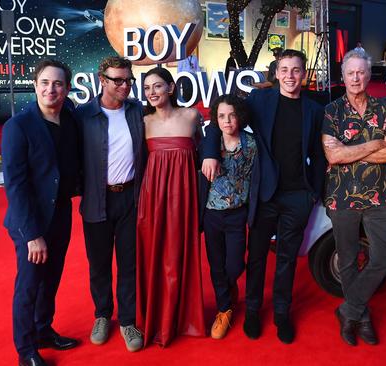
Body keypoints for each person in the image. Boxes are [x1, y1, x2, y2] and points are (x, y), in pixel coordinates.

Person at [202, 49, 326, 344]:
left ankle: (282, 312)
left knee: (286, 259)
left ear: (304, 74)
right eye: (284, 69)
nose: (290, 76)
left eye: (296, 70)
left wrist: (314, 193)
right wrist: (209, 153)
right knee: (256, 258)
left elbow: (318, 156)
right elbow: (222, 114)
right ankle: (254, 310)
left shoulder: (314, 110)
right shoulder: (260, 101)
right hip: (265, 196)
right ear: (276, 73)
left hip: (298, 196)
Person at [2, 59, 80, 366]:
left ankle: (44, 330)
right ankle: (26, 351)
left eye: (58, 84)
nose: (51, 89)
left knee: (52, 280)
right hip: (30, 222)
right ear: (35, 86)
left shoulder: (71, 119)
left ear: (67, 89)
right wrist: (32, 235)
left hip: (61, 215)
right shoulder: (18, 126)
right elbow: (16, 185)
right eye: (45, 83)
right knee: (29, 285)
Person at [322, 50, 386, 346]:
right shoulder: (331, 111)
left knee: (385, 257)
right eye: (350, 73)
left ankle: (349, 309)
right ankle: (362, 315)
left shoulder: (385, 110)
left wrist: (350, 151)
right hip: (341, 195)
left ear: (369, 75)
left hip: (377, 194)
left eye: (361, 72)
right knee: (349, 259)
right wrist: (373, 143)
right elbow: (333, 154)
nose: (356, 78)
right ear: (342, 77)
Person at [75, 56, 145, 352]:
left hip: (130, 198)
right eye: (118, 80)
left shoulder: (137, 110)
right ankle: (102, 315)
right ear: (101, 79)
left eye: (128, 79)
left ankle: (128, 321)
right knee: (99, 264)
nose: (125, 85)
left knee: (128, 264)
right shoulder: (82, 115)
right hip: (96, 200)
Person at [136, 67, 206, 347]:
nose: (152, 92)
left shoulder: (191, 116)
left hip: (184, 195)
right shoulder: (143, 123)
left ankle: (179, 318)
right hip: (152, 197)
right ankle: (155, 318)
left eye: (158, 86)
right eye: (148, 88)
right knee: (154, 254)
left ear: (171, 87)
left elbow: (203, 154)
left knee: (179, 253)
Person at [199, 94, 258, 340]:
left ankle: (229, 285)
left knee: (234, 265)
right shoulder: (209, 143)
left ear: (240, 117)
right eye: (221, 116)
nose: (227, 120)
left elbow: (257, 177)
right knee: (216, 264)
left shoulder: (252, 144)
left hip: (237, 214)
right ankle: (224, 309)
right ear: (215, 118)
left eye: (232, 115)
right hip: (212, 214)